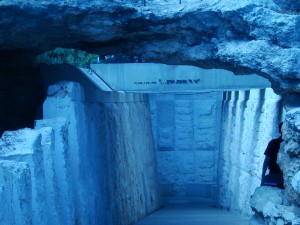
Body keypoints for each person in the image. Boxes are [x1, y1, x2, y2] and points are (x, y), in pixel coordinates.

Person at [261, 122, 284, 189]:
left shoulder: (273, 143)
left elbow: (266, 160)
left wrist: (263, 176)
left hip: (274, 174)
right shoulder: (273, 143)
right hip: (280, 176)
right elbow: (266, 160)